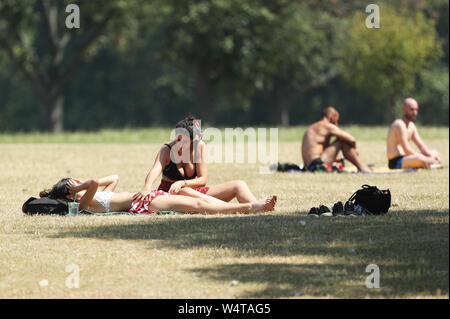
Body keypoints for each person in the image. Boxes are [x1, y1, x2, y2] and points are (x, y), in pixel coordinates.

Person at [133, 115, 271, 205]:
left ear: (193, 140)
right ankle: (248, 207)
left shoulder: (199, 147)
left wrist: (183, 182)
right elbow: (155, 170)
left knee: (239, 185)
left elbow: (202, 180)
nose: (179, 143)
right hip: (171, 195)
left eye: (184, 140)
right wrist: (147, 188)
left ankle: (258, 207)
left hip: (194, 192)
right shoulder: (167, 150)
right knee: (184, 191)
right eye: (178, 138)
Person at [39, 176, 277, 215]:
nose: (81, 182)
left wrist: (78, 186)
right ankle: (249, 208)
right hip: (144, 204)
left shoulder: (94, 198)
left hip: (147, 197)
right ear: (72, 194)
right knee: (196, 204)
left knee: (198, 199)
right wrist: (80, 188)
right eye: (76, 184)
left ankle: (253, 206)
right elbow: (91, 183)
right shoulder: (82, 204)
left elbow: (113, 177)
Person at [301, 106, 372, 173]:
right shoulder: (327, 126)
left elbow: (320, 152)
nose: (337, 124)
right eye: (336, 121)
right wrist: (354, 150)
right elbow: (352, 139)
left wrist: (337, 160)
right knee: (341, 140)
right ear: (332, 118)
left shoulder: (314, 126)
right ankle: (361, 167)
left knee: (341, 140)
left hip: (310, 166)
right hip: (317, 166)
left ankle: (361, 167)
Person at [386, 98, 441, 169]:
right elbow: (406, 149)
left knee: (434, 152)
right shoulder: (399, 125)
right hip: (396, 162)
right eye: (411, 109)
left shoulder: (411, 126)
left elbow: (421, 145)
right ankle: (428, 163)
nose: (414, 112)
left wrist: (430, 155)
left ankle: (428, 162)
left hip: (407, 158)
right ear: (404, 109)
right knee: (420, 158)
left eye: (416, 110)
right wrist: (425, 158)